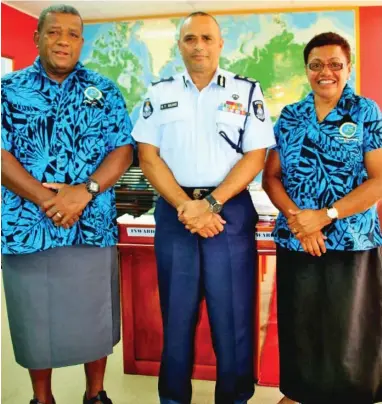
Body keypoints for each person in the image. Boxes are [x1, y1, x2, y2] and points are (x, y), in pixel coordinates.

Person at [132, 11, 275, 404]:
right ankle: (173, 398)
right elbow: (148, 157)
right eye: (190, 38)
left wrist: (210, 204)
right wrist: (185, 206)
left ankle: (234, 398)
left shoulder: (245, 91)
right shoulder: (159, 92)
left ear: (220, 44)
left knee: (232, 317)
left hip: (228, 209)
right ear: (180, 45)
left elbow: (256, 155)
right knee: (176, 316)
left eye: (207, 38)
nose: (198, 46)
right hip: (176, 211)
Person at [1, 5, 134, 404]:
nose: (63, 40)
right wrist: (46, 198)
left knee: (92, 317)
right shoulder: (7, 91)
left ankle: (96, 394)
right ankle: (42, 398)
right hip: (27, 227)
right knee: (34, 319)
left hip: (91, 226)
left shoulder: (105, 90)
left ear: (81, 41)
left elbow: (123, 150)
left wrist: (84, 192)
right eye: (54, 32)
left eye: (73, 34)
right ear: (36, 37)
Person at [262, 32, 382, 404]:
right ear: (307, 70)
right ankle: (299, 394)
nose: (324, 72)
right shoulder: (292, 115)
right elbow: (271, 177)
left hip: (351, 238)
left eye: (334, 64)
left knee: (349, 326)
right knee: (301, 323)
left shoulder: (366, 112)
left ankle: (351, 395)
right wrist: (301, 221)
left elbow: (379, 179)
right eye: (316, 65)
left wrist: (326, 216)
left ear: (348, 68)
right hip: (297, 237)